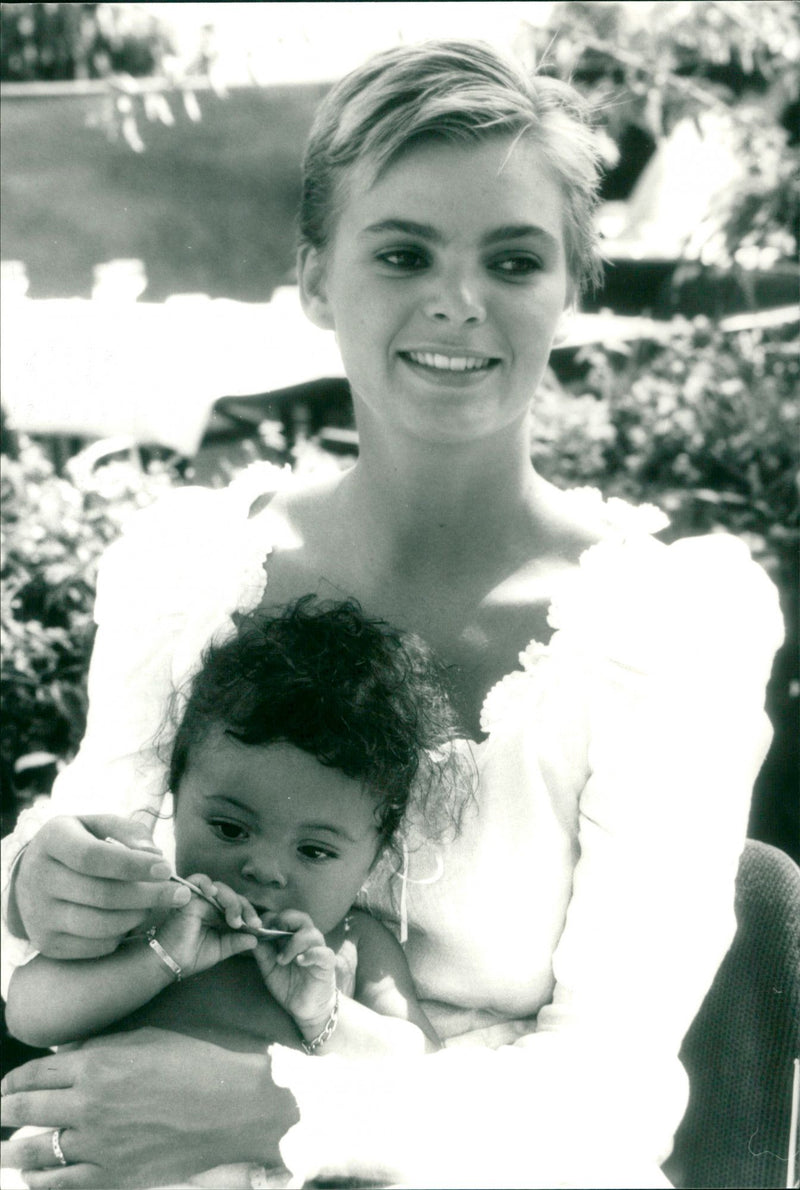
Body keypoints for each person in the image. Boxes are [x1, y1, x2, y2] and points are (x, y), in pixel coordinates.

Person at [0, 38, 783, 1190]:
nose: (457, 302)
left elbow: (609, 1091)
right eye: (403, 252)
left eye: (513, 259)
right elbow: (69, 895)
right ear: (317, 279)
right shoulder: (191, 571)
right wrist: (39, 887)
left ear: (569, 287)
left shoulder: (664, 628)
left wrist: (274, 1112)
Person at [4, 596, 452, 1188]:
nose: (264, 869)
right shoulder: (151, 908)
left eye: (315, 851)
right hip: (106, 1166)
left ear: (375, 856)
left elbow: (422, 1071)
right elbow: (29, 1016)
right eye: (230, 829)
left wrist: (324, 1013)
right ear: (175, 794)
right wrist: (161, 957)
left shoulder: (352, 943)